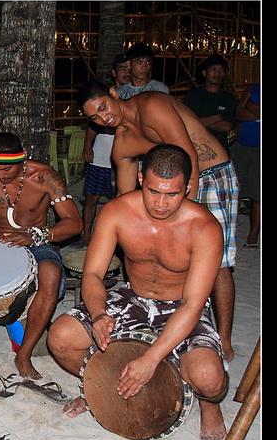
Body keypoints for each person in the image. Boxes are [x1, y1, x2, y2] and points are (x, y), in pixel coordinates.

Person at [47, 144, 229, 440]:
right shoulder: (117, 212)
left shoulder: (204, 227)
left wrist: (151, 358)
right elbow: (92, 274)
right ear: (141, 179)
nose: (161, 203)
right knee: (61, 337)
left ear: (188, 188)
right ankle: (101, 387)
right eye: (153, 191)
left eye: (172, 194)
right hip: (134, 297)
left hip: (181, 306)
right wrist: (98, 314)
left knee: (210, 380)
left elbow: (194, 303)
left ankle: (209, 406)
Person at [77, 80, 239, 361]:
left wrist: (186, 217)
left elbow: (188, 156)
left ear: (114, 94)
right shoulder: (122, 143)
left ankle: (222, 339)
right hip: (168, 189)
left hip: (208, 174)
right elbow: (124, 200)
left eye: (103, 107)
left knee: (219, 262)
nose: (104, 118)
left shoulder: (151, 105)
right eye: (95, 117)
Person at [0, 132, 82, 390]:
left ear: (21, 159)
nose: (0, 175)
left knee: (51, 273)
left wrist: (35, 235)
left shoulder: (45, 177)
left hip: (38, 242)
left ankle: (24, 354)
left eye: (7, 169)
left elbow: (75, 224)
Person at [78, 54, 131, 245]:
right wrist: (87, 146)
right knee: (91, 198)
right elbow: (93, 124)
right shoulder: (100, 97)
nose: (127, 72)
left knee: (122, 199)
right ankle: (86, 236)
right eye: (123, 69)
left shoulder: (135, 97)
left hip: (125, 157)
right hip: (101, 154)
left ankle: (119, 241)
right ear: (114, 73)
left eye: (129, 68)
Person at [183, 53, 238, 152]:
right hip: (195, 147)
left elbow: (227, 126)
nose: (218, 73)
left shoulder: (228, 98)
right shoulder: (193, 96)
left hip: (220, 148)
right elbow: (186, 122)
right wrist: (216, 118)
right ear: (205, 73)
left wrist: (199, 121)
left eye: (221, 70)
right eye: (214, 69)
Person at [231, 83, 260, 248]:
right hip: (242, 145)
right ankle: (228, 230)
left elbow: (244, 109)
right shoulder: (253, 88)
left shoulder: (251, 95)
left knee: (258, 194)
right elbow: (238, 114)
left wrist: (250, 105)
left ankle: (252, 237)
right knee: (234, 189)